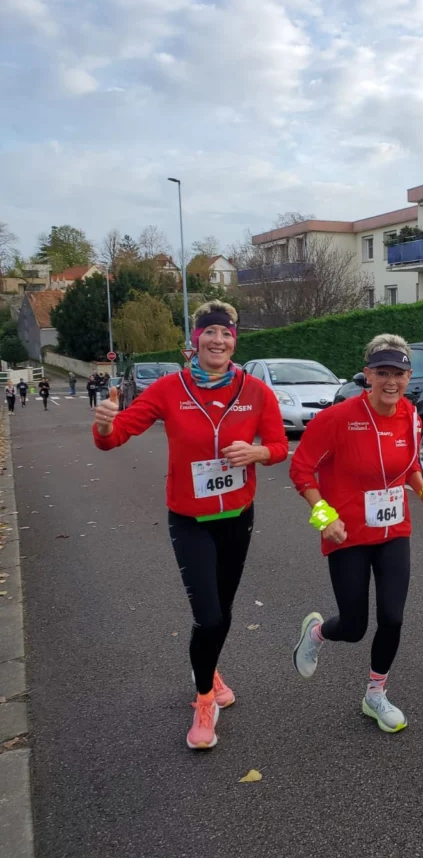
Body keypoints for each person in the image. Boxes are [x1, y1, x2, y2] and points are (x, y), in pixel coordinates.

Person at [93, 301, 288, 750]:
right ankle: (205, 700)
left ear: (234, 340)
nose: (218, 340)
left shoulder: (257, 391)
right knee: (209, 615)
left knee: (223, 610)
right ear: (194, 341)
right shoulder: (168, 388)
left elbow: (278, 445)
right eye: (210, 333)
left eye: (226, 333)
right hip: (190, 519)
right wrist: (104, 427)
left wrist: (258, 453)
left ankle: (209, 668)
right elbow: (116, 437)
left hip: (238, 517)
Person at [290, 333, 423, 733]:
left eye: (398, 373)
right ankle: (318, 631)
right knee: (355, 626)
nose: (391, 382)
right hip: (347, 535)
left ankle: (375, 694)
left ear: (409, 376)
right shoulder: (338, 418)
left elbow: (409, 464)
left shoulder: (410, 414)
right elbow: (301, 470)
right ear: (367, 376)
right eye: (382, 373)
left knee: (392, 617)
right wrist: (324, 517)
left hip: (394, 530)